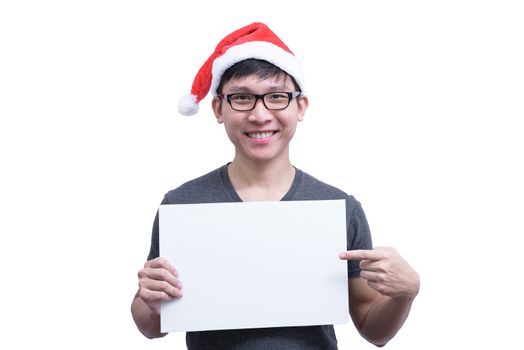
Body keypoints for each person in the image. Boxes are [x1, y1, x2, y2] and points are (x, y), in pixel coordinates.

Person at [131, 22, 420, 349]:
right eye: (242, 98)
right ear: (218, 109)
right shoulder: (182, 205)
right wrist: (149, 300)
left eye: (276, 97)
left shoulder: (339, 208)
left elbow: (373, 328)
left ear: (300, 107)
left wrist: (404, 295)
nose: (260, 114)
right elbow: (152, 325)